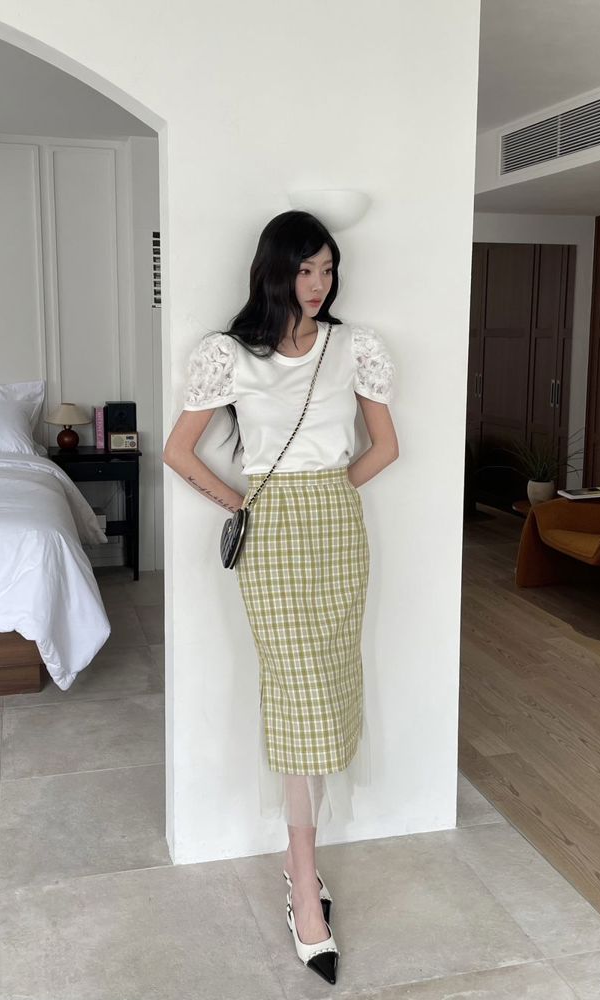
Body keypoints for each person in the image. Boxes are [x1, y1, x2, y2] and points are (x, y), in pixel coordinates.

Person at [163, 210, 399, 986]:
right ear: (275, 270)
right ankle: (303, 885)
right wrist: (243, 505)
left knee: (327, 691)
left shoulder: (354, 346)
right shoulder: (228, 354)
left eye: (327, 270)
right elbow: (178, 451)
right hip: (270, 537)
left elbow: (386, 447)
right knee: (296, 697)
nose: (318, 284)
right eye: (304, 270)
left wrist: (327, 495)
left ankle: (303, 865)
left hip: (337, 530)